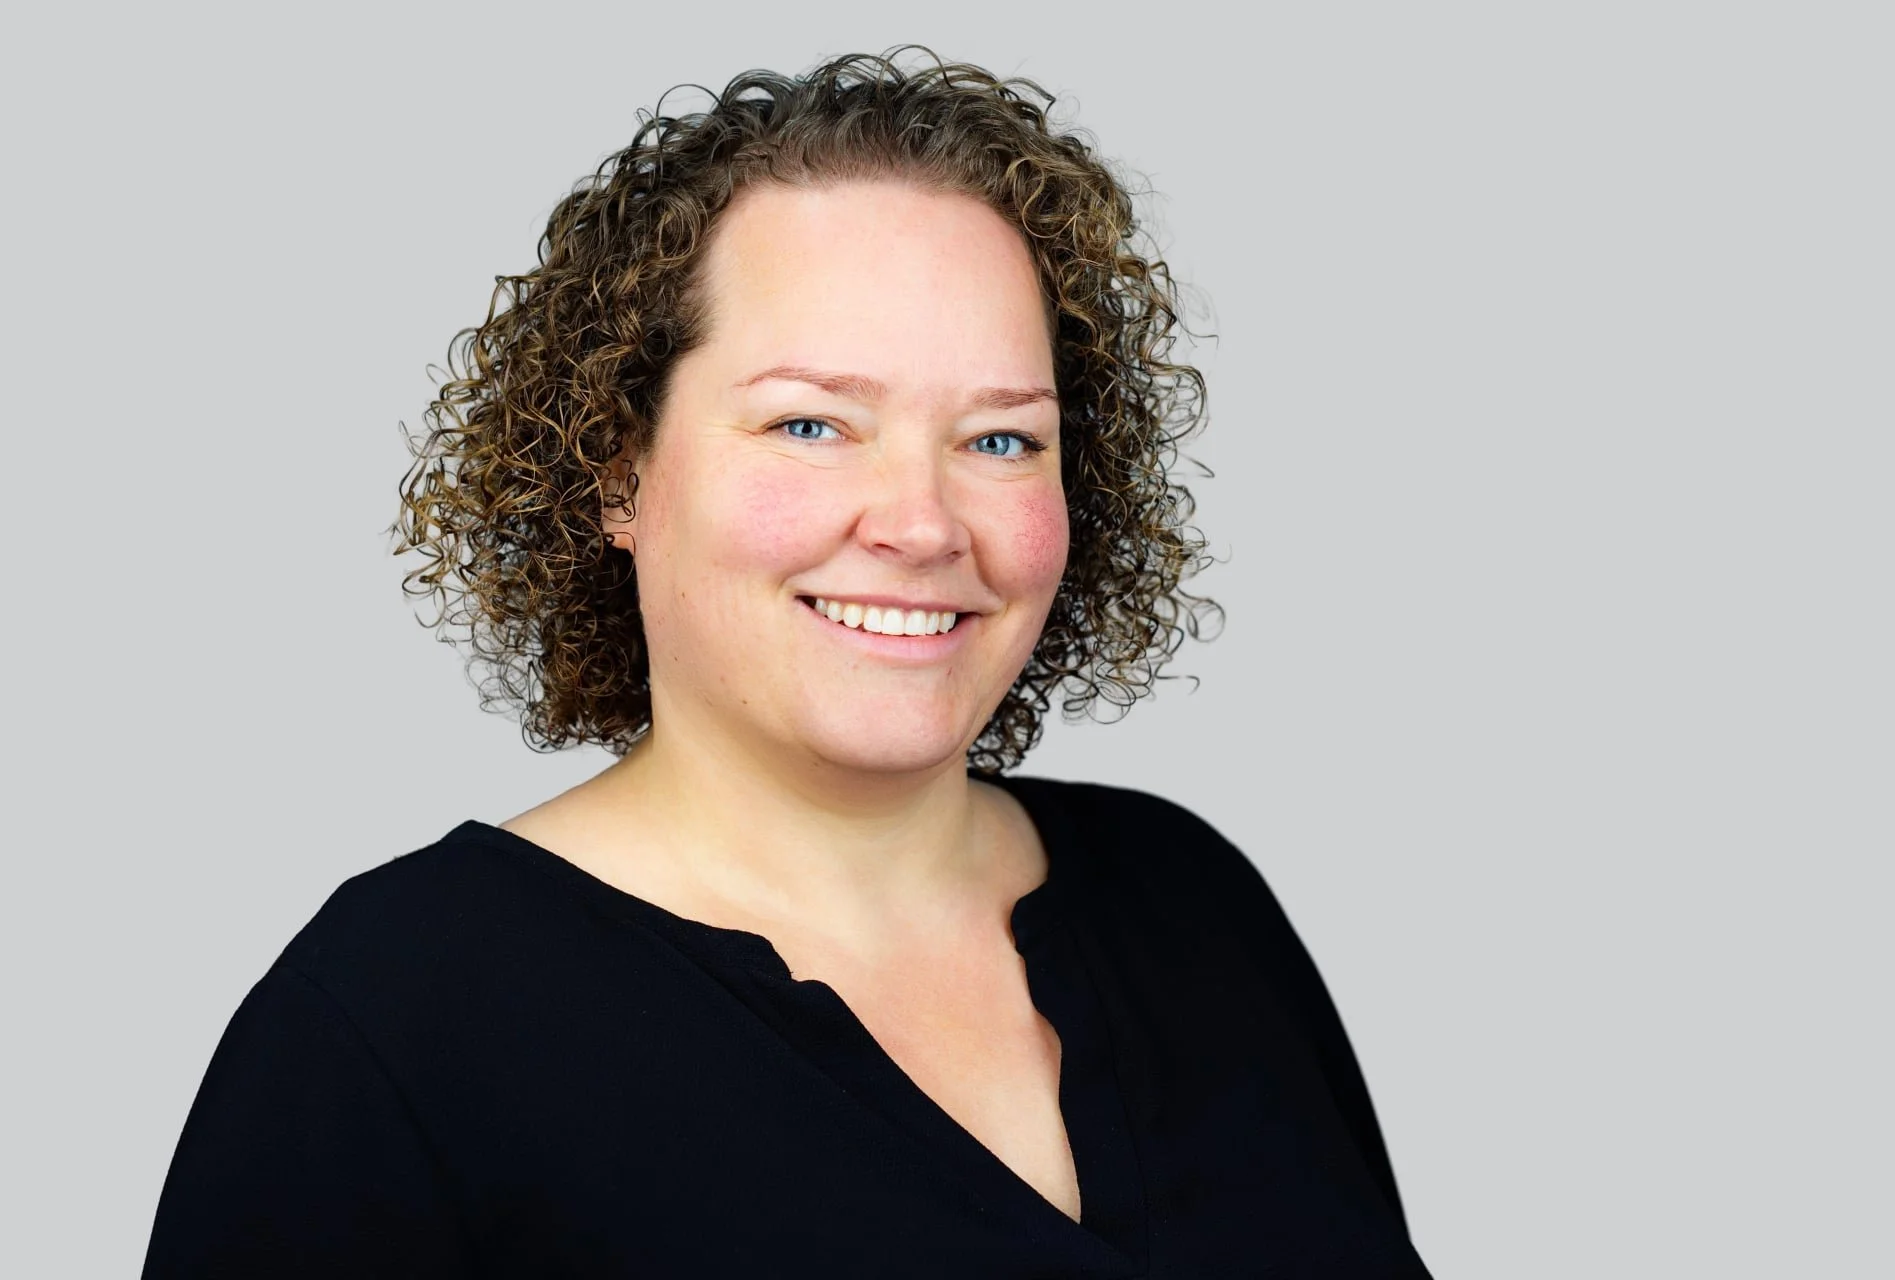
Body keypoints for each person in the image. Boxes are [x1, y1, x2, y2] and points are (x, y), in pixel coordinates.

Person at [143, 48, 1433, 1278]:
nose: (921, 525)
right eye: (811, 424)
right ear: (618, 471)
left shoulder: (1192, 900)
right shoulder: (392, 1023)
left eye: (1000, 440)